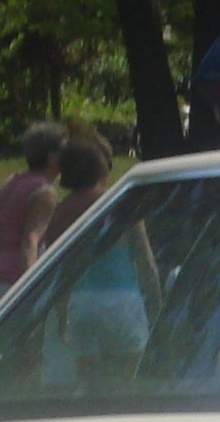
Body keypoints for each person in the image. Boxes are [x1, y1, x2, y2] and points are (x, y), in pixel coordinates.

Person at [40, 132, 162, 385]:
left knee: (90, 383)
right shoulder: (121, 206)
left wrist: (62, 313)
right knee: (128, 380)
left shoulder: (61, 213)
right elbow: (146, 262)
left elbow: (59, 270)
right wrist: (156, 304)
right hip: (123, 302)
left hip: (82, 305)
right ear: (100, 168)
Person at [0, 120, 64, 317]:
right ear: (51, 158)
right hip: (13, 283)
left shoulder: (10, 184)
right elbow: (30, 241)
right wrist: (30, 287)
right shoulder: (44, 193)